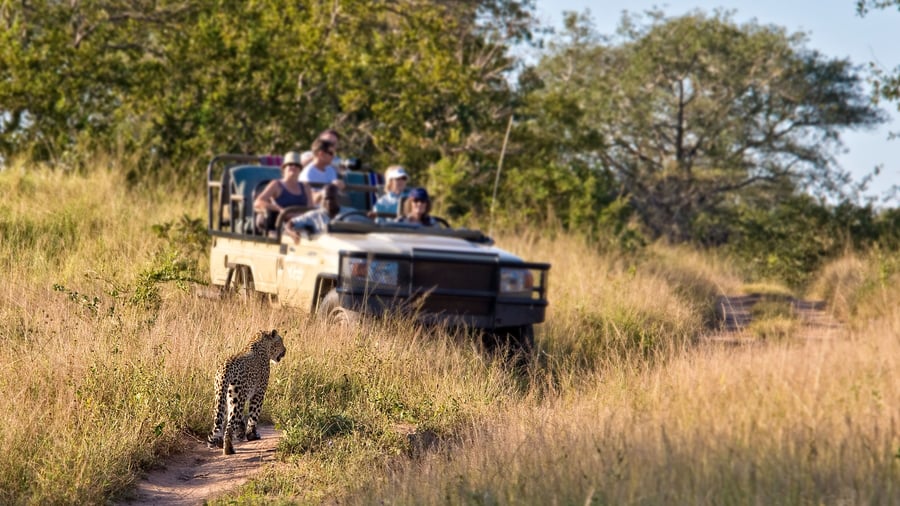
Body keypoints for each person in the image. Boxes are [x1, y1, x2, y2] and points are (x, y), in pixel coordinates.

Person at [253, 151, 314, 233]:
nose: (293, 167)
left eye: (296, 165)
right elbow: (258, 202)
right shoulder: (276, 185)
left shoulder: (305, 187)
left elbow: (310, 209)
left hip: (301, 224)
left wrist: (298, 217)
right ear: (284, 168)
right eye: (290, 164)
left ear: (300, 169)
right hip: (280, 226)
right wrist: (280, 210)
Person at [299, 138, 345, 203]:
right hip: (315, 211)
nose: (333, 157)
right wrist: (330, 188)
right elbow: (312, 200)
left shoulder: (330, 170)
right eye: (331, 153)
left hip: (332, 209)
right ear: (321, 154)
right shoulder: (308, 174)